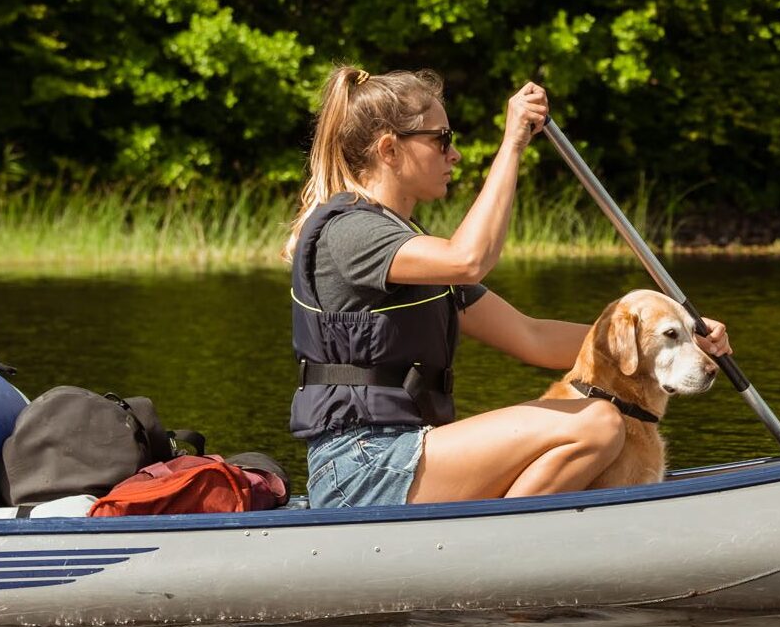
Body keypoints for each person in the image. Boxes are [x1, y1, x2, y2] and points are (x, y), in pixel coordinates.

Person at [284, 66, 731, 508]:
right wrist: (512, 143)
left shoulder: (408, 247)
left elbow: (531, 337)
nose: (454, 154)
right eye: (442, 139)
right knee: (599, 423)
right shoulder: (350, 232)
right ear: (389, 149)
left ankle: (512, 530)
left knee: (600, 423)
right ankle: (503, 541)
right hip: (362, 466)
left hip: (406, 454)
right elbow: (469, 260)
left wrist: (663, 337)